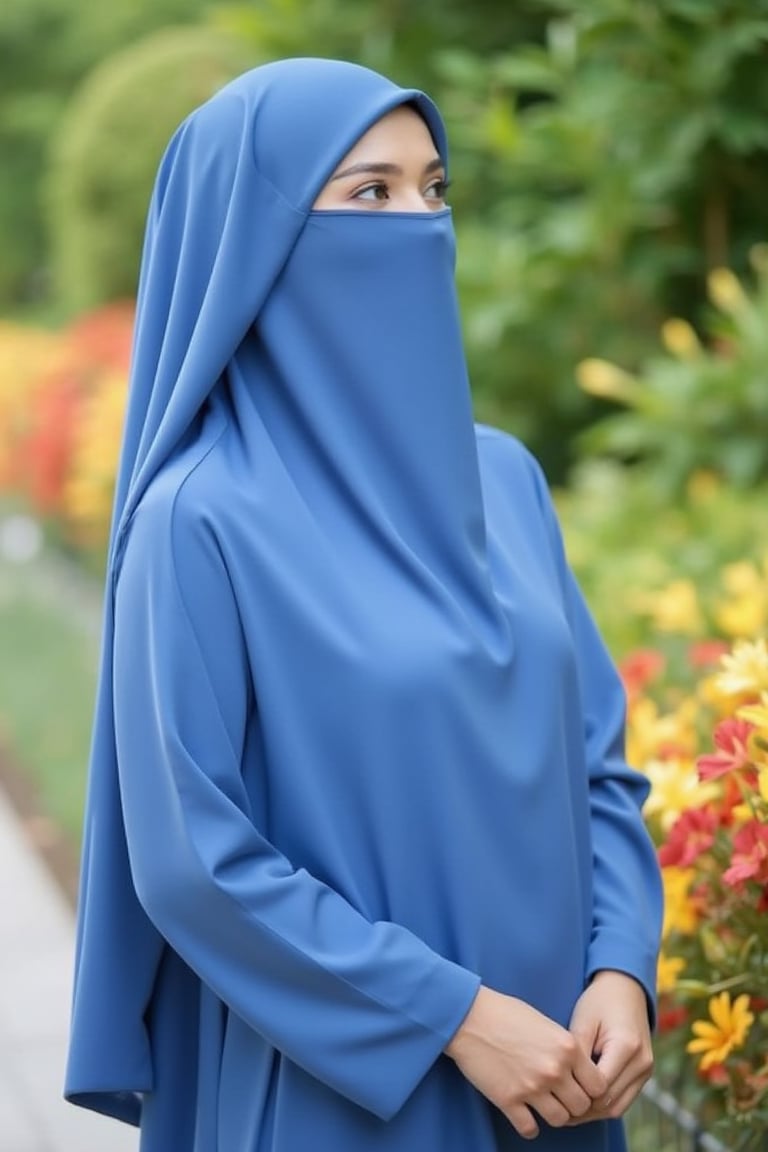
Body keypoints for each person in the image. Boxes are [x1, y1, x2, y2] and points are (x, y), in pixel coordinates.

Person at [64, 57, 663, 1152]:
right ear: (263, 234)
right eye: (369, 193)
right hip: (344, 1096)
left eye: (434, 189)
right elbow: (198, 860)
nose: (417, 222)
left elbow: (600, 766)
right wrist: (455, 1019)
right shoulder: (201, 520)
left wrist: (621, 966)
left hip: (568, 1084)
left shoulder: (506, 482)